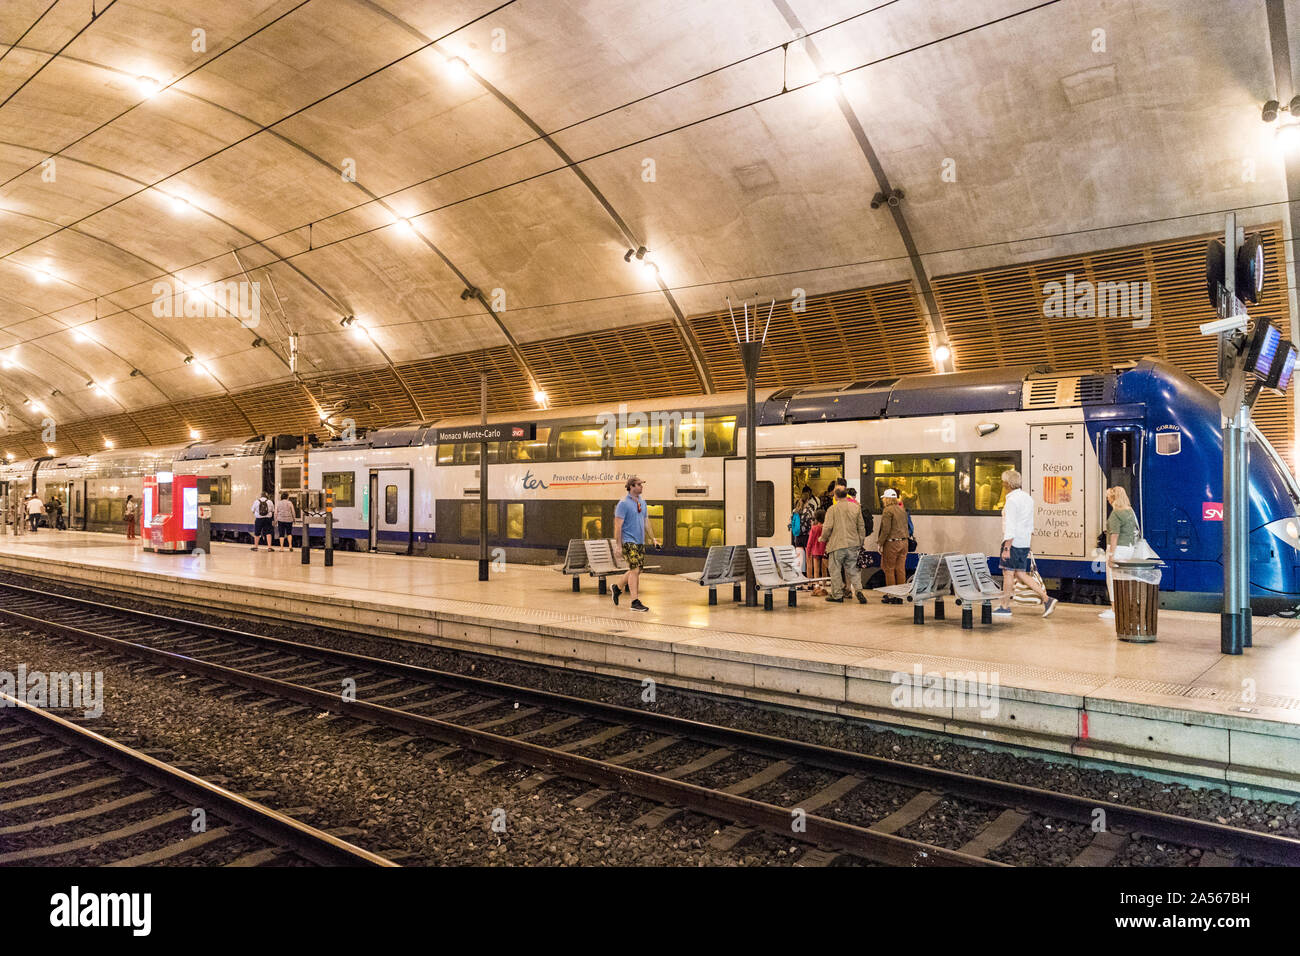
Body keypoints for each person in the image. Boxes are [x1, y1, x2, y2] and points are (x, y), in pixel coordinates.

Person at [994, 469, 1057, 619]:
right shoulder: (1027, 498)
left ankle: (1004, 607)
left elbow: (1010, 526)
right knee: (1020, 573)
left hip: (1013, 543)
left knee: (1008, 573)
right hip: (1024, 542)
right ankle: (1047, 599)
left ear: (1007, 484)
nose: (1002, 485)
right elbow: (1029, 523)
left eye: (1003, 482)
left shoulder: (1012, 501)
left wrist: (1007, 548)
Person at [611, 476, 658, 612]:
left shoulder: (642, 503)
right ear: (631, 487)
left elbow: (646, 522)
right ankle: (634, 602)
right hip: (628, 541)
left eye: (641, 484)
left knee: (637, 570)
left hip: (639, 542)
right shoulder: (623, 504)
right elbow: (618, 526)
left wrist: (653, 538)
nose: (641, 487)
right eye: (638, 484)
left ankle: (617, 587)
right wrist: (619, 546)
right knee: (635, 570)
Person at [819, 485, 867, 603]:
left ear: (835, 495)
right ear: (846, 494)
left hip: (837, 544)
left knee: (835, 569)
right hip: (853, 544)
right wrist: (860, 541)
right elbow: (861, 526)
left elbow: (827, 527)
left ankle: (837, 595)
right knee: (853, 569)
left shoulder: (832, 509)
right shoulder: (856, 508)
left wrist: (823, 538)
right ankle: (859, 590)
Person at [1099, 486, 1139, 621]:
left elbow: (1114, 536)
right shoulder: (1130, 512)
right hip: (1129, 549)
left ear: (1114, 498)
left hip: (1118, 549)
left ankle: (1115, 610)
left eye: (1109, 497)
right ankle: (1125, 608)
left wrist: (1111, 556)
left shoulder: (1116, 513)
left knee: (1112, 580)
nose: (1107, 499)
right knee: (1125, 580)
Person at [876, 489, 909, 603]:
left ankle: (891, 595)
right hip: (904, 542)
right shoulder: (902, 510)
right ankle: (900, 596)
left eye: (884, 498)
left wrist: (880, 543)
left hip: (892, 542)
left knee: (889, 569)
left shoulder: (887, 511)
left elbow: (886, 530)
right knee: (900, 569)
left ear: (887, 499)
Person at [789, 485, 816, 577]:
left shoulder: (794, 511)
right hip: (807, 537)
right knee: (809, 560)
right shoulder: (809, 510)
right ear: (808, 500)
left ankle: (799, 582)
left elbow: (790, 524)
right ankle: (809, 583)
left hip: (797, 537)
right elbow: (812, 524)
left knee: (799, 561)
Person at [807, 508, 828, 596]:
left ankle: (816, 586)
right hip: (824, 550)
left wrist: (808, 551)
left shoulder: (814, 528)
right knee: (824, 570)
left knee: (816, 570)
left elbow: (810, 541)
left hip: (815, 550)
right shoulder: (826, 528)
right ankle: (823, 587)